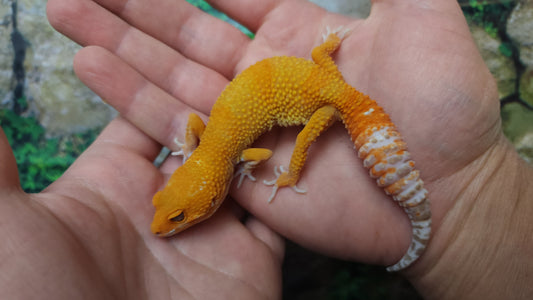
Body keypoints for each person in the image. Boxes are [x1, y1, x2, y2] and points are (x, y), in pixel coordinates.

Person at [0, 0, 531, 298]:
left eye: (177, 213)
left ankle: (405, 213)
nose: (168, 220)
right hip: (316, 73)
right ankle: (328, 57)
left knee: (299, 150)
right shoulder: (211, 152)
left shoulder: (224, 157)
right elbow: (204, 135)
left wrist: (283, 174)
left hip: (325, 104)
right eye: (174, 212)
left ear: (210, 198)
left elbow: (249, 155)